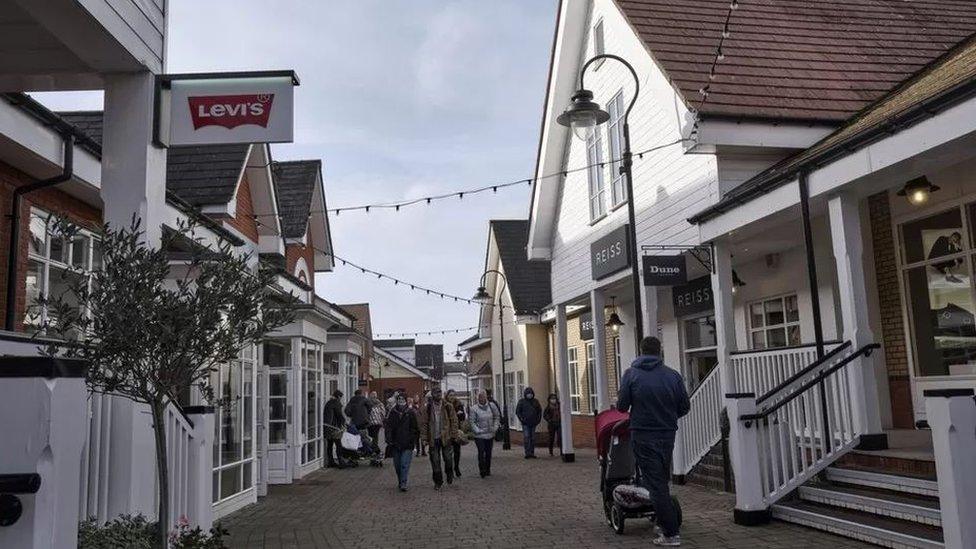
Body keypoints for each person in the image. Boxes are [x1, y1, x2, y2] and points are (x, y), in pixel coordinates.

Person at [616, 337, 690, 547]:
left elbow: (622, 407)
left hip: (642, 434)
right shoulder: (673, 376)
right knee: (661, 479)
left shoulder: (631, 375)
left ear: (641, 351)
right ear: (660, 352)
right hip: (667, 434)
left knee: (655, 484)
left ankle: (671, 533)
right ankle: (662, 519)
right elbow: (684, 406)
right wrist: (667, 415)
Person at [418, 386, 457, 489]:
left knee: (448, 459)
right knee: (435, 461)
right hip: (433, 439)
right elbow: (424, 424)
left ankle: (449, 473)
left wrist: (454, 434)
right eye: (436, 393)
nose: (438, 395)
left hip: (446, 437)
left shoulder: (448, 406)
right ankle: (438, 482)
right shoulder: (428, 408)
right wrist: (424, 438)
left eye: (440, 393)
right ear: (432, 395)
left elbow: (454, 421)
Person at [385, 393, 419, 492]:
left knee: (404, 464)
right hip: (395, 443)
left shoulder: (410, 412)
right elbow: (388, 426)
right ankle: (400, 481)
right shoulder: (393, 412)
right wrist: (389, 438)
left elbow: (414, 428)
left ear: (406, 400)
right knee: (397, 465)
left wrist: (411, 439)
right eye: (399, 398)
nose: (400, 400)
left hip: (407, 443)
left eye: (402, 398)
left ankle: (403, 483)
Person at [468, 390, 498, 478]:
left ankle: (487, 469)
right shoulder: (474, 408)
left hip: (490, 433)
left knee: (488, 452)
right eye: (480, 397)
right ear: (478, 398)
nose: (482, 398)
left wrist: (495, 427)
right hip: (479, 435)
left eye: (483, 396)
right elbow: (472, 421)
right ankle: (482, 470)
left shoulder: (492, 406)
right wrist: (477, 430)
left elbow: (497, 417)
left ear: (486, 397)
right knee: (481, 452)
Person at [515, 387, 542, 459]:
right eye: (528, 394)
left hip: (533, 422)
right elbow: (518, 411)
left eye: (530, 393)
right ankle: (527, 453)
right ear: (525, 394)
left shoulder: (536, 401)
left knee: (532, 438)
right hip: (525, 423)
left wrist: (538, 420)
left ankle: (532, 453)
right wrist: (522, 419)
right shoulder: (522, 402)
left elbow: (539, 411)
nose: (529, 395)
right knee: (527, 437)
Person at [323, 390, 346, 468]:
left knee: (329, 445)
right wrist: (344, 423)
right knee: (338, 444)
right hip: (334, 427)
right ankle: (341, 461)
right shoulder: (336, 403)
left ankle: (331, 461)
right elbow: (339, 415)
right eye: (341, 397)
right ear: (339, 396)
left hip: (327, 427)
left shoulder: (328, 403)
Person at [446, 389, 465, 478]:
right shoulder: (444, 405)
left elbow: (463, 417)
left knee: (457, 451)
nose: (452, 397)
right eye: (450, 395)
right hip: (447, 432)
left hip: (457, 431)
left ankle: (456, 468)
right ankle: (449, 469)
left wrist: (460, 414)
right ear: (447, 396)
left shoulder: (459, 404)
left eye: (453, 395)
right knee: (448, 452)